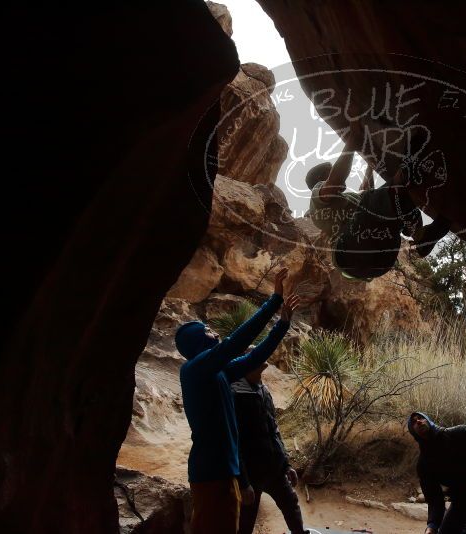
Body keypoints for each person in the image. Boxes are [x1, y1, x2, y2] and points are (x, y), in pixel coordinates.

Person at [176, 268, 300, 534]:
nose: (214, 333)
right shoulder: (195, 370)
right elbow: (237, 342)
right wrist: (274, 300)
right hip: (211, 473)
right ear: (196, 341)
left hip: (223, 472)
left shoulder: (216, 371)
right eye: (207, 330)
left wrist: (283, 324)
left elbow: (253, 358)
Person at [305, 127, 449, 281]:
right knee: (384, 197)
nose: (334, 170)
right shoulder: (316, 197)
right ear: (321, 178)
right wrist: (352, 142)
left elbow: (372, 200)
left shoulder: (347, 202)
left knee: (391, 206)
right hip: (350, 253)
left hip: (380, 260)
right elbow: (335, 182)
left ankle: (421, 236)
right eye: (330, 170)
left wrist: (369, 167)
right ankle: (408, 166)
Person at [232, 361, 306, 534]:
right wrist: (243, 483)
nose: (260, 356)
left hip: (274, 467)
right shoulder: (236, 394)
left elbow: (274, 430)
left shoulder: (263, 390)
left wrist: (286, 464)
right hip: (251, 473)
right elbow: (235, 443)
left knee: (291, 504)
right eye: (253, 356)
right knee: (246, 520)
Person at [408, 412, 466, 534]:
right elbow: (434, 500)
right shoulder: (424, 465)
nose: (418, 421)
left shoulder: (460, 433)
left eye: (421, 418)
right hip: (461, 498)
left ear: (429, 421)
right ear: (413, 432)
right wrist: (431, 526)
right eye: (414, 422)